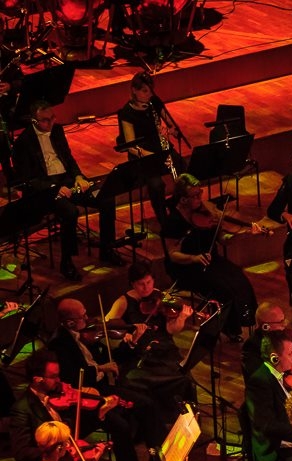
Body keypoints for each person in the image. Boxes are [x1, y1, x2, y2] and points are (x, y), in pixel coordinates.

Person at [10, 351, 151, 461]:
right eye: (53, 377)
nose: (59, 381)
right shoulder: (22, 409)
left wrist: (101, 412)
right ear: (37, 379)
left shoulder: (58, 397)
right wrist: (55, 450)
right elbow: (21, 452)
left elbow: (76, 430)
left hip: (74, 460)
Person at [11, 100, 122, 281]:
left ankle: (107, 249)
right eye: (45, 120)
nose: (51, 123)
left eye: (52, 118)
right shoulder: (23, 143)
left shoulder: (57, 130)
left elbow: (69, 159)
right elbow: (27, 180)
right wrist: (55, 188)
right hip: (46, 190)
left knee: (106, 198)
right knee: (70, 212)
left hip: (67, 180)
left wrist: (78, 176)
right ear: (34, 121)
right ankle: (67, 262)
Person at [49, 298, 166, 461]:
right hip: (88, 394)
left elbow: (113, 358)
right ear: (70, 323)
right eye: (83, 316)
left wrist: (133, 341)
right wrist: (101, 369)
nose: (88, 319)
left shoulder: (86, 336)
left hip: (104, 385)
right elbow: (73, 377)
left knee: (147, 399)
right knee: (129, 419)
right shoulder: (59, 344)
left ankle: (157, 454)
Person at [162, 173, 257, 341]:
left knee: (239, 279)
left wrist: (243, 233)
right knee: (223, 289)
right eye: (195, 196)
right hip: (187, 268)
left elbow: (223, 239)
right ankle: (229, 328)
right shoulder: (173, 222)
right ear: (183, 200)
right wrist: (194, 258)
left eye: (200, 193)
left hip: (211, 260)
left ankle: (248, 319)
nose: (200, 198)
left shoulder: (206, 212)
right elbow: (173, 255)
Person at [105, 261, 195, 425]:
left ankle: (183, 417)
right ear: (133, 284)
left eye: (149, 282)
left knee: (183, 376)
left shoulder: (160, 297)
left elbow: (171, 330)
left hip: (164, 348)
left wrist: (181, 317)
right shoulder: (123, 302)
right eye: (141, 284)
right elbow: (108, 326)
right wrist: (125, 334)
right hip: (140, 354)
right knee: (162, 380)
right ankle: (161, 418)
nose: (146, 288)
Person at [117, 71, 182, 226]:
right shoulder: (126, 113)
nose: (149, 94)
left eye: (150, 90)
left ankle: (175, 206)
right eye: (145, 91)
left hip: (160, 149)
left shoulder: (154, 103)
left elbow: (172, 125)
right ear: (134, 90)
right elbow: (131, 146)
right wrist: (152, 155)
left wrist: (171, 131)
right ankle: (163, 220)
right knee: (157, 185)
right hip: (142, 155)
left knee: (184, 172)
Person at [245, 330, 292, 461]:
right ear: (274, 358)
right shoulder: (260, 381)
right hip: (276, 451)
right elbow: (266, 425)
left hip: (288, 438)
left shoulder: (278, 375)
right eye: (290, 353)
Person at [242, 302, 289, 380]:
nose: (284, 324)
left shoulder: (277, 337)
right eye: (280, 322)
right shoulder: (252, 346)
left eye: (284, 320)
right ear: (266, 326)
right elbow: (260, 377)